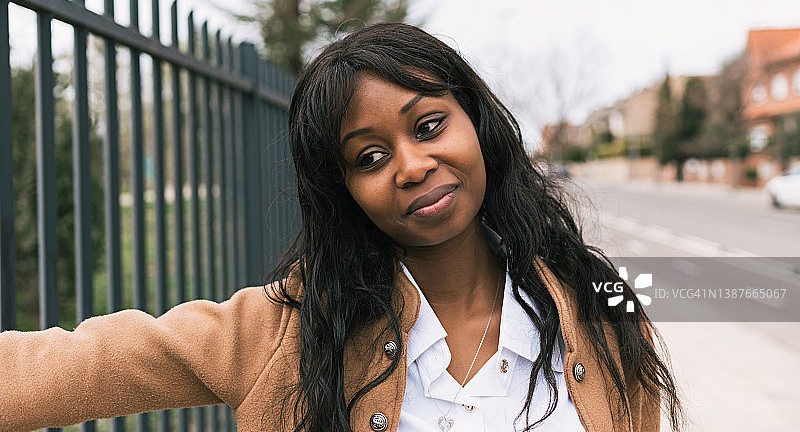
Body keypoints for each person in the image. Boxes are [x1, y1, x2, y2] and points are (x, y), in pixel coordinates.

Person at [0, 23, 682, 432]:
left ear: (477, 124)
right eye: (370, 157)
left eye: (429, 125)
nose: (412, 165)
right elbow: (80, 364)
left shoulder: (602, 312)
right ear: (344, 191)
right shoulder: (282, 334)